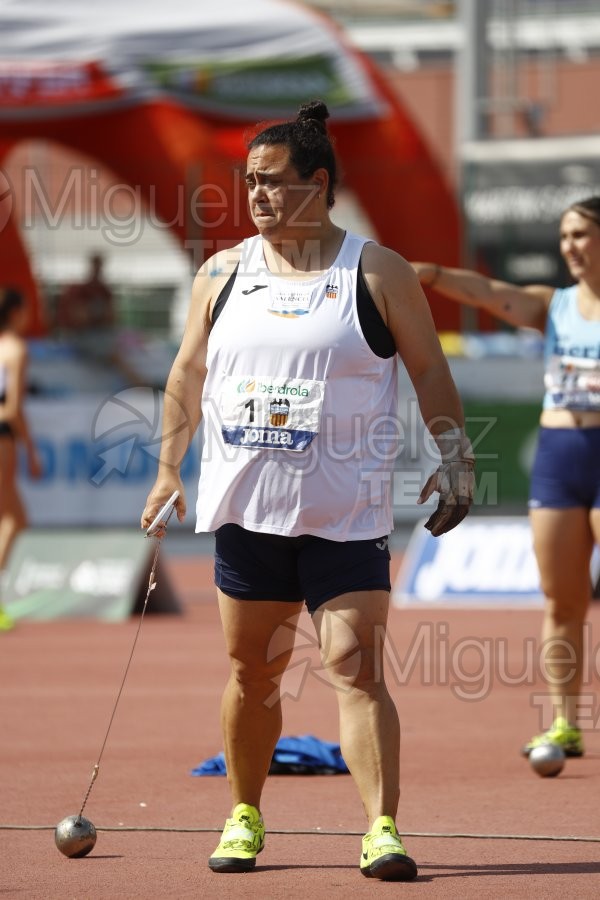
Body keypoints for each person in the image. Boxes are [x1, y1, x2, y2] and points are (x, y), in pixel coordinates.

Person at [142, 99, 475, 881]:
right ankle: (245, 815)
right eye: (247, 183)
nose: (254, 196)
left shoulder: (375, 269)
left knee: (355, 667)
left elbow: (430, 370)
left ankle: (382, 828)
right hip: (249, 512)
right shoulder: (222, 273)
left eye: (270, 182)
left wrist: (455, 457)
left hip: (343, 512)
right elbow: (186, 373)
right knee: (253, 672)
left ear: (317, 183)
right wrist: (166, 469)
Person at [413, 195, 600, 760]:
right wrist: (436, 275)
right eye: (564, 236)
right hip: (561, 457)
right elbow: (491, 295)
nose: (569, 246)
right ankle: (565, 722)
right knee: (560, 602)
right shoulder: (554, 305)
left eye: (581, 234)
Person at [0, 288, 42, 631]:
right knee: (14, 518)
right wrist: (30, 449)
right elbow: (13, 410)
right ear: (14, 313)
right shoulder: (14, 349)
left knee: (13, 517)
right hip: (2, 437)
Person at [56, 253, 143, 386]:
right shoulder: (80, 290)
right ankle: (139, 383)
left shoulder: (104, 291)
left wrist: (95, 315)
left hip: (101, 334)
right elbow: (80, 319)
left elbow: (112, 317)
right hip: (85, 336)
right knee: (114, 354)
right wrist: (98, 315)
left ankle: (139, 382)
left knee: (132, 341)